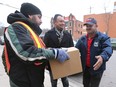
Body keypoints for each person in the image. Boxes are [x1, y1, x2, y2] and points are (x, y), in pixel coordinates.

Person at [3, 3, 69, 87]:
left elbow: (39, 50)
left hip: (34, 80)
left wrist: (49, 57)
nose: (41, 21)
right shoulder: (16, 27)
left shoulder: (30, 31)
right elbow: (26, 52)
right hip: (23, 82)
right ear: (30, 15)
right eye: (39, 17)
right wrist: (54, 53)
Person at [75, 17, 113, 87]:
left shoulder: (103, 38)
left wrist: (102, 56)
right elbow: (75, 50)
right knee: (85, 84)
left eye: (90, 26)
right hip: (86, 69)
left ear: (96, 26)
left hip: (97, 69)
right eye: (87, 26)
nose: (88, 28)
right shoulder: (82, 39)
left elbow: (108, 48)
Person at [44, 14, 74, 87]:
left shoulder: (68, 35)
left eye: (63, 21)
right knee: (54, 82)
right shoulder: (48, 34)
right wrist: (46, 64)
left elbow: (72, 49)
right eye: (60, 21)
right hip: (53, 63)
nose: (63, 23)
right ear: (55, 23)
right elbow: (44, 49)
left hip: (64, 62)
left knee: (65, 81)